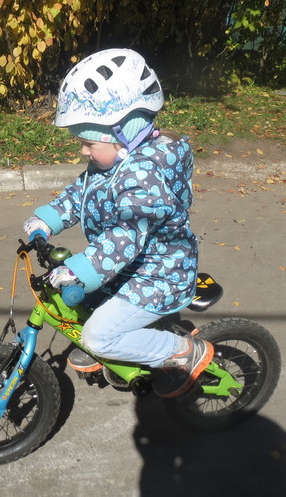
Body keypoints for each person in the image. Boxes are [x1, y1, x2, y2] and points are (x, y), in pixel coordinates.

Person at [23, 48, 213, 398]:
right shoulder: (112, 162)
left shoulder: (143, 178)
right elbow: (81, 193)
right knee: (79, 301)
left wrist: (82, 269)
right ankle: (117, 354)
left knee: (98, 336)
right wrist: (48, 219)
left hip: (159, 274)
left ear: (123, 135)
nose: (83, 151)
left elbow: (125, 236)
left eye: (88, 143)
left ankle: (184, 351)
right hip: (132, 266)